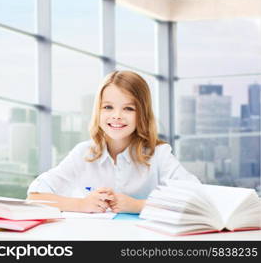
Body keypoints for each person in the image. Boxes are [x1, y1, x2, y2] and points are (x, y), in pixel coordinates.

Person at [27, 70, 200, 213]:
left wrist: (138, 206)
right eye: (108, 107)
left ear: (142, 114)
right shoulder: (84, 153)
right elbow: (35, 197)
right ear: (98, 111)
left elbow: (197, 199)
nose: (117, 115)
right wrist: (81, 204)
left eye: (128, 108)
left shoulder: (159, 155)